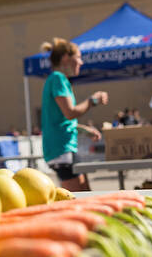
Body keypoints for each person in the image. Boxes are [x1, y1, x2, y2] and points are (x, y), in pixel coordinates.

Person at [40, 37, 107, 192]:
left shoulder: (56, 79)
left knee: (85, 195)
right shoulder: (58, 78)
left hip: (63, 149)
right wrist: (93, 100)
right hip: (61, 150)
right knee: (80, 200)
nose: (81, 62)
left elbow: (61, 119)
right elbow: (70, 113)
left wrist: (84, 130)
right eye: (78, 57)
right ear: (65, 58)